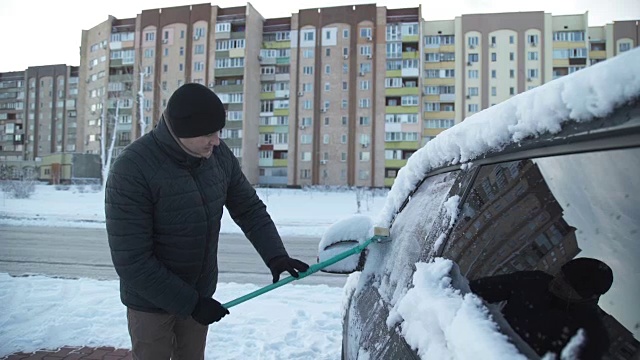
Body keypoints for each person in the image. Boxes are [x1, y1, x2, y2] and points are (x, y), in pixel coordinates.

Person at [105, 83, 310, 360]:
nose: (216, 140)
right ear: (181, 131)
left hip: (199, 296)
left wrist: (276, 255)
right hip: (151, 305)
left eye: (218, 132)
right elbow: (132, 261)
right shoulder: (132, 169)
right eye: (209, 133)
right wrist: (191, 303)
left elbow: (249, 208)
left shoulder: (217, 155)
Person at [469, 257, 613, 359]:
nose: (558, 281)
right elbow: (474, 290)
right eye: (561, 274)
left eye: (569, 285)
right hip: (476, 346)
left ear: (588, 297)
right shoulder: (534, 281)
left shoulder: (591, 336)